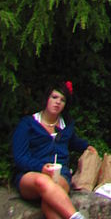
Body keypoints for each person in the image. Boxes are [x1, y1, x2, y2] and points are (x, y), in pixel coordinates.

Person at [11, 82, 96, 219]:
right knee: (43, 182)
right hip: (31, 175)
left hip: (60, 174)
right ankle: (75, 217)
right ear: (47, 99)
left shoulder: (66, 125)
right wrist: (41, 168)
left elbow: (72, 141)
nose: (57, 102)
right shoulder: (27, 124)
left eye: (62, 100)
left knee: (49, 202)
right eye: (54, 97)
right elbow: (20, 157)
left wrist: (86, 146)